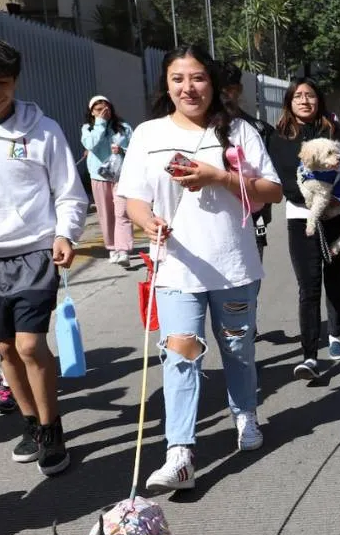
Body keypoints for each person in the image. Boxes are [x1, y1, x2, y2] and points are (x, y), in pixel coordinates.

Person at [118, 44, 283, 492]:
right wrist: (146, 219)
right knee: (180, 356)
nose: (188, 88)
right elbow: (132, 197)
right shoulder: (148, 135)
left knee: (237, 350)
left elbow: (272, 191)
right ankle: (180, 453)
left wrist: (220, 177)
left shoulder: (240, 132)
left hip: (232, 266)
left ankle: (245, 414)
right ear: (166, 85)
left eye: (197, 78)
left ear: (212, 84)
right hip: (175, 268)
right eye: (178, 79)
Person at [0, 35, 88, 476]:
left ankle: (51, 429)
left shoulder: (42, 130)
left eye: (2, 82)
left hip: (31, 251)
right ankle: (30, 422)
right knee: (5, 348)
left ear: (16, 82)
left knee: (30, 345)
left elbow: (69, 193)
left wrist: (65, 234)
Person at [266, 77, 340, 380]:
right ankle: (309, 355)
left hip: (337, 213)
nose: (304, 101)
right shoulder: (278, 137)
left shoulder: (336, 132)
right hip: (300, 217)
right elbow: (277, 177)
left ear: (318, 100)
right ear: (289, 101)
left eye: (310, 95)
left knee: (335, 279)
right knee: (308, 287)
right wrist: (301, 197)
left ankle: (335, 336)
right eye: (298, 96)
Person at [220, 62, 274, 260]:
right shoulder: (195, 130)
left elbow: (273, 183)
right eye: (218, 88)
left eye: (229, 89)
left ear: (239, 90)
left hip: (251, 219)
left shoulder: (260, 130)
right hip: (210, 221)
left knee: (250, 284)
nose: (223, 94)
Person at [80, 95, 134, 267]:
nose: (104, 112)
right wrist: (100, 124)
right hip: (99, 176)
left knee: (122, 211)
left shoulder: (123, 127)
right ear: (91, 113)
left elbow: (135, 149)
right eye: (98, 110)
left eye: (107, 109)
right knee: (106, 213)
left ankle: (123, 249)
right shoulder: (88, 129)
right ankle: (112, 247)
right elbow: (90, 144)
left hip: (121, 175)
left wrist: (122, 149)